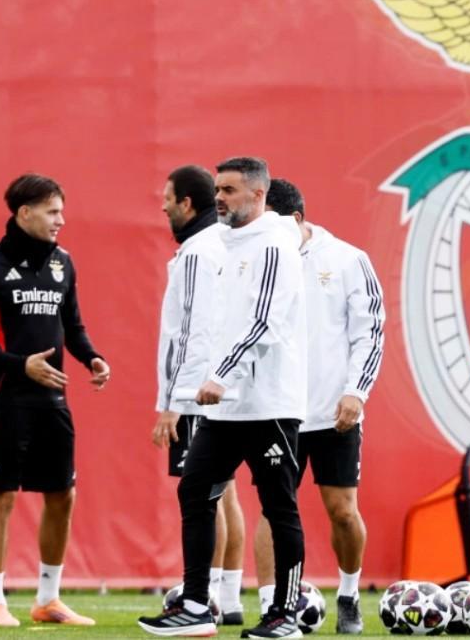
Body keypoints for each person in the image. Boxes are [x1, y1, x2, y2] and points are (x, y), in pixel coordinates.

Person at [139, 157, 308, 639]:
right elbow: (208, 324)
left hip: (269, 403)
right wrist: (196, 385)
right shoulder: (221, 245)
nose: (220, 198)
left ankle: (284, 615)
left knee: (279, 507)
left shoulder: (275, 244)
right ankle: (195, 605)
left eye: (230, 190)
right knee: (195, 490)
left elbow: (265, 322)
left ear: (259, 195)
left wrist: (220, 374)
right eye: (217, 189)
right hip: (224, 406)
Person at [0, 174, 110, 627]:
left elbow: (73, 327)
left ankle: (48, 599)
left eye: (61, 210)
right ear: (24, 213)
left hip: (54, 399)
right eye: (52, 211)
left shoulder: (64, 263)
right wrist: (19, 364)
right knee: (1, 497)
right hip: (8, 398)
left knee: (63, 494)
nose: (61, 220)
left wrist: (93, 358)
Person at [252, 178, 384, 634]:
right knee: (274, 507)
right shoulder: (258, 259)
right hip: (276, 408)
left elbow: (370, 332)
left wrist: (357, 392)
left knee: (342, 510)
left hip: (333, 410)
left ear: (296, 220)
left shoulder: (349, 260)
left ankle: (348, 596)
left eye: (271, 223)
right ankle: (273, 606)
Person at [152, 165, 247, 625]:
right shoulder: (225, 245)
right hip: (221, 387)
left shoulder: (197, 251)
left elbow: (190, 331)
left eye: (168, 198)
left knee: (204, 495)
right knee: (224, 493)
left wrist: (172, 403)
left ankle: (202, 598)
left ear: (187, 203)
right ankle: (227, 598)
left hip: (198, 391)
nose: (164, 206)